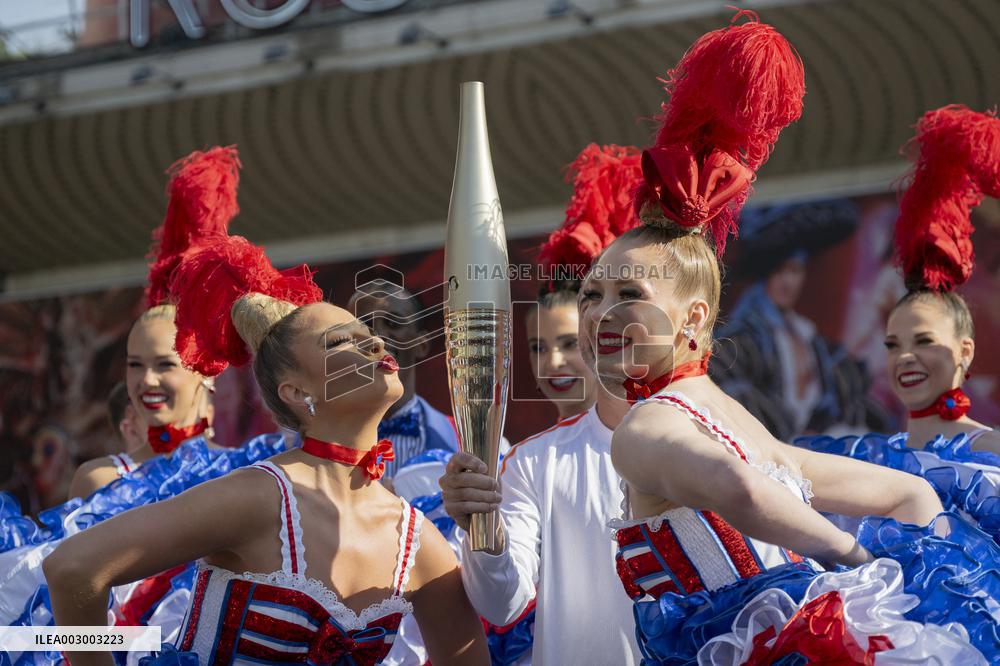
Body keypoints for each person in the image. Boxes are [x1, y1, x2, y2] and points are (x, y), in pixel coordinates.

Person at [600, 13, 998, 662]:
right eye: (595, 295)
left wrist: (852, 563)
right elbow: (910, 492)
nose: (602, 316)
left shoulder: (647, 426)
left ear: (695, 319)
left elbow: (745, 490)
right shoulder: (744, 422)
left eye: (628, 297)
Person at [44, 196, 488, 666]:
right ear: (296, 392)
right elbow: (73, 568)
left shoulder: (414, 537)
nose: (376, 341)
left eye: (371, 336)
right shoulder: (259, 497)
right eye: (343, 341)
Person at [439, 143, 645, 666]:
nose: (553, 362)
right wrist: (482, 529)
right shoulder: (530, 463)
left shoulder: (690, 438)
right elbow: (503, 603)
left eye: (568, 344)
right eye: (537, 347)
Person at [711, 201, 893, 440]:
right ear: (764, 275)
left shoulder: (817, 343)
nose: (787, 282)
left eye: (795, 271)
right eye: (779, 271)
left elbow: (856, 400)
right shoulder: (739, 340)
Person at [349, 283, 459, 478]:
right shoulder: (310, 440)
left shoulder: (461, 439)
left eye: (393, 324)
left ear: (422, 345)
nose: (379, 337)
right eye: (364, 326)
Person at [524, 288, 596, 421]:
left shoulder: (641, 437)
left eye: (571, 344)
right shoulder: (539, 442)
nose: (553, 363)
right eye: (539, 348)